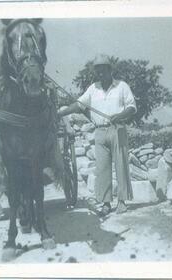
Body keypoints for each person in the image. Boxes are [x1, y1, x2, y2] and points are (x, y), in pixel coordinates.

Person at [58, 54, 137, 216]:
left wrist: (120, 116)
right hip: (99, 131)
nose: (100, 74)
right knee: (102, 168)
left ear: (110, 70)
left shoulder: (122, 86)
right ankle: (106, 203)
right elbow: (79, 105)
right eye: (97, 71)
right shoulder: (93, 88)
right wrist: (61, 112)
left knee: (121, 165)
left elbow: (132, 107)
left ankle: (121, 201)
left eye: (103, 70)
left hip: (118, 129)